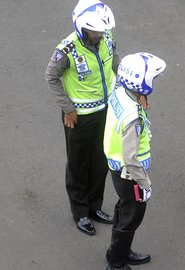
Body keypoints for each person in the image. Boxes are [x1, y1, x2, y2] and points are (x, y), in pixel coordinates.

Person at [45, 0, 117, 235]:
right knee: (78, 165)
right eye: (94, 31)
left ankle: (95, 206)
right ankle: (81, 213)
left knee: (100, 162)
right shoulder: (67, 50)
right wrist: (67, 108)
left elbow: (116, 64)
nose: (99, 35)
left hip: (105, 111)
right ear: (81, 27)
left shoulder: (107, 39)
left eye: (101, 31)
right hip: (79, 118)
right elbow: (51, 77)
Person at [103, 52, 166, 270]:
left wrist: (140, 98)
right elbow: (130, 157)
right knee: (131, 216)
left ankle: (117, 251)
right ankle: (117, 264)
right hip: (129, 173)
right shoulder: (133, 117)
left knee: (123, 210)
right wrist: (144, 183)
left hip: (115, 166)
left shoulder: (120, 92)